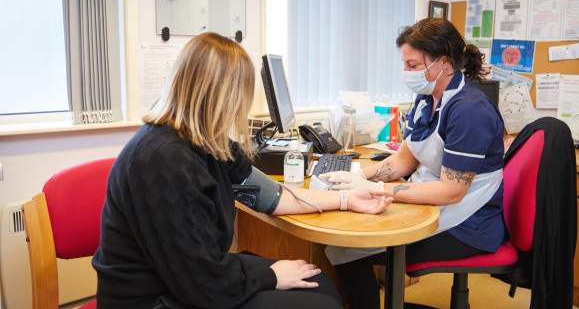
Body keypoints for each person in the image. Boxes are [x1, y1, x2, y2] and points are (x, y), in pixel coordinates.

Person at [92, 32, 392, 309]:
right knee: (320, 304)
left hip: (195, 274)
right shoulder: (163, 161)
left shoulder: (209, 142)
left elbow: (272, 198)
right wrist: (272, 277)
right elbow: (202, 282)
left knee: (320, 283)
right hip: (155, 298)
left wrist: (347, 198)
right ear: (224, 96)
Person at [321, 18, 508, 309]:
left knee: (349, 247)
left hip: (469, 223)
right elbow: (404, 161)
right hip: (433, 204)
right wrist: (355, 174)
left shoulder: (469, 111)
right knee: (348, 236)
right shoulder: (427, 100)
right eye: (404, 64)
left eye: (412, 65)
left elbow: (451, 192)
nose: (405, 72)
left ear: (443, 63)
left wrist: (381, 190)